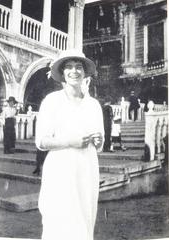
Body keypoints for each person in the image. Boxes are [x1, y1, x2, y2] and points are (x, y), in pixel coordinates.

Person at [35, 49, 104, 240]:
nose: (74, 71)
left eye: (79, 67)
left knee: (84, 221)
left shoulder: (93, 105)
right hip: (60, 168)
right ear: (63, 73)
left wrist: (99, 141)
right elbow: (41, 141)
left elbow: (99, 143)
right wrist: (70, 141)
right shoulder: (52, 101)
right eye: (69, 67)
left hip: (87, 169)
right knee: (59, 221)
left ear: (85, 72)